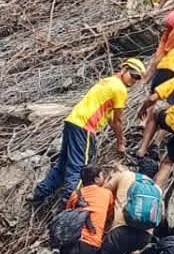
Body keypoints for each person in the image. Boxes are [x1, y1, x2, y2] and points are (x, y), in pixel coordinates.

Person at [34, 59, 145, 203]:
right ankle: (71, 201)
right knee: (80, 168)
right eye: (133, 75)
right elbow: (118, 120)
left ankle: (39, 193)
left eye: (138, 78)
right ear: (124, 69)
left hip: (73, 121)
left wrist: (118, 136)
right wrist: (120, 142)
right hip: (85, 127)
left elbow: (109, 116)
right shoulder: (120, 89)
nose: (134, 80)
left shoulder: (107, 81)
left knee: (63, 163)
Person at [80, 159, 162, 254]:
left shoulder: (126, 175)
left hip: (120, 232)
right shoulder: (157, 189)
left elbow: (104, 192)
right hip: (143, 238)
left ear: (138, 168)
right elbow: (159, 217)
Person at [50, 165, 114, 254]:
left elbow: (69, 213)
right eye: (102, 175)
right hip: (91, 244)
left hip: (71, 242)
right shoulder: (106, 194)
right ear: (97, 179)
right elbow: (109, 215)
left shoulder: (76, 194)